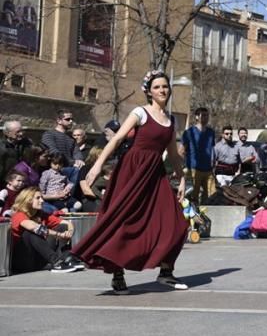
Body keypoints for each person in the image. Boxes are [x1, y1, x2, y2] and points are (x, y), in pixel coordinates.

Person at [72, 70, 189, 294]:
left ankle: (166, 272)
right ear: (149, 91)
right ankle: (117, 275)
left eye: (165, 86)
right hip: (132, 171)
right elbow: (116, 139)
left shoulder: (170, 120)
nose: (162, 90)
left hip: (155, 174)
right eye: (157, 87)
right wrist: (97, 166)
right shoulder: (140, 113)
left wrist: (182, 178)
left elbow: (173, 154)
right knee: (123, 221)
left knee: (177, 222)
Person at [8, 187, 85, 273]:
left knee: (62, 227)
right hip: (23, 261)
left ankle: (65, 259)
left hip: (38, 260)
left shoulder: (41, 214)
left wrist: (69, 233)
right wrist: (59, 235)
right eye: (38, 198)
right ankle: (57, 262)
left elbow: (66, 223)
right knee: (30, 233)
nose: (42, 201)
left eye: (42, 198)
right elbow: (34, 227)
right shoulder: (19, 215)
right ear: (28, 200)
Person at [182, 107, 216, 207]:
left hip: (208, 170)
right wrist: (185, 166)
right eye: (203, 115)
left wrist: (213, 164)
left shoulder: (211, 132)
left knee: (211, 195)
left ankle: (206, 216)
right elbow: (181, 150)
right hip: (194, 169)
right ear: (197, 117)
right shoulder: (189, 132)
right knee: (194, 196)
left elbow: (212, 149)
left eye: (207, 115)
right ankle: (193, 217)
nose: (205, 118)